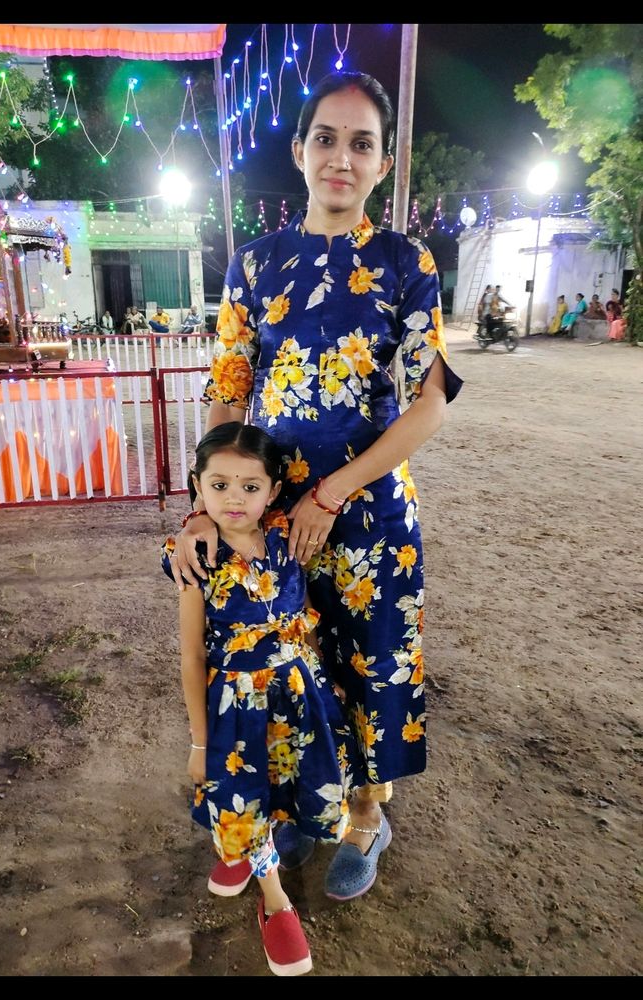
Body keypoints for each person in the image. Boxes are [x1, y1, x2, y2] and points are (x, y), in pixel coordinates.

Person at [169, 71, 463, 902]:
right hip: (263, 518)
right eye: (326, 139)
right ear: (300, 152)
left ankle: (370, 814)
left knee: (371, 664)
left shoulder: (407, 263)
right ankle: (308, 807)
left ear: (382, 161)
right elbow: (229, 387)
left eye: (361, 142)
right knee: (292, 661)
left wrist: (332, 493)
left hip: (364, 511)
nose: (342, 156)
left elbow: (429, 403)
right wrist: (207, 500)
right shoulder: (255, 265)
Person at [161, 422, 354, 977]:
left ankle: (242, 851)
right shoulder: (196, 560)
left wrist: (321, 674)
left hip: (297, 693)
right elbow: (193, 658)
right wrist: (200, 741)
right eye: (218, 485)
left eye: (250, 486)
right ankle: (276, 901)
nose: (234, 499)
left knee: (284, 789)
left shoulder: (288, 539)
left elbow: (302, 614)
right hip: (235, 708)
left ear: (274, 491)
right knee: (243, 795)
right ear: (197, 487)